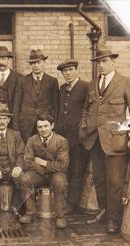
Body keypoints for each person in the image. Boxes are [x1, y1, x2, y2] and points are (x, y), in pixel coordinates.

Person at [79, 49, 130, 233]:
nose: (101, 65)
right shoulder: (93, 84)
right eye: (99, 62)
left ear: (113, 62)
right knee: (99, 179)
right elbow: (86, 109)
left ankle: (113, 219)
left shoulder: (125, 83)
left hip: (115, 141)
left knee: (115, 182)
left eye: (105, 61)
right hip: (95, 140)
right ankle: (105, 210)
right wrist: (84, 130)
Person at [18, 112, 69, 229]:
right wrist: (44, 169)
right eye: (40, 127)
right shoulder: (32, 140)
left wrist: (43, 162)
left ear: (52, 125)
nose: (43, 129)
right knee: (24, 179)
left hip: (56, 174)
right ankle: (30, 212)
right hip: (38, 173)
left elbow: (63, 165)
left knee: (60, 182)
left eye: (46, 126)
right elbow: (27, 161)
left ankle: (60, 216)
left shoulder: (61, 141)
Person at [55, 59, 89, 213]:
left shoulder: (85, 87)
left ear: (76, 70)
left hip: (78, 137)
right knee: (64, 167)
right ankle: (63, 199)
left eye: (70, 70)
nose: (67, 74)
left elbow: (87, 111)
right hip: (63, 137)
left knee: (77, 169)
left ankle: (72, 203)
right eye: (64, 71)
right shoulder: (62, 88)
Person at [14, 49, 60, 141]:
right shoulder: (22, 81)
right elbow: (17, 104)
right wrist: (16, 126)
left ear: (44, 63)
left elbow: (56, 105)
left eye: (39, 62)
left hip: (45, 124)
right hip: (26, 125)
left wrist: (55, 124)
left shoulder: (52, 81)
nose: (36, 66)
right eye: (33, 63)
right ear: (31, 65)